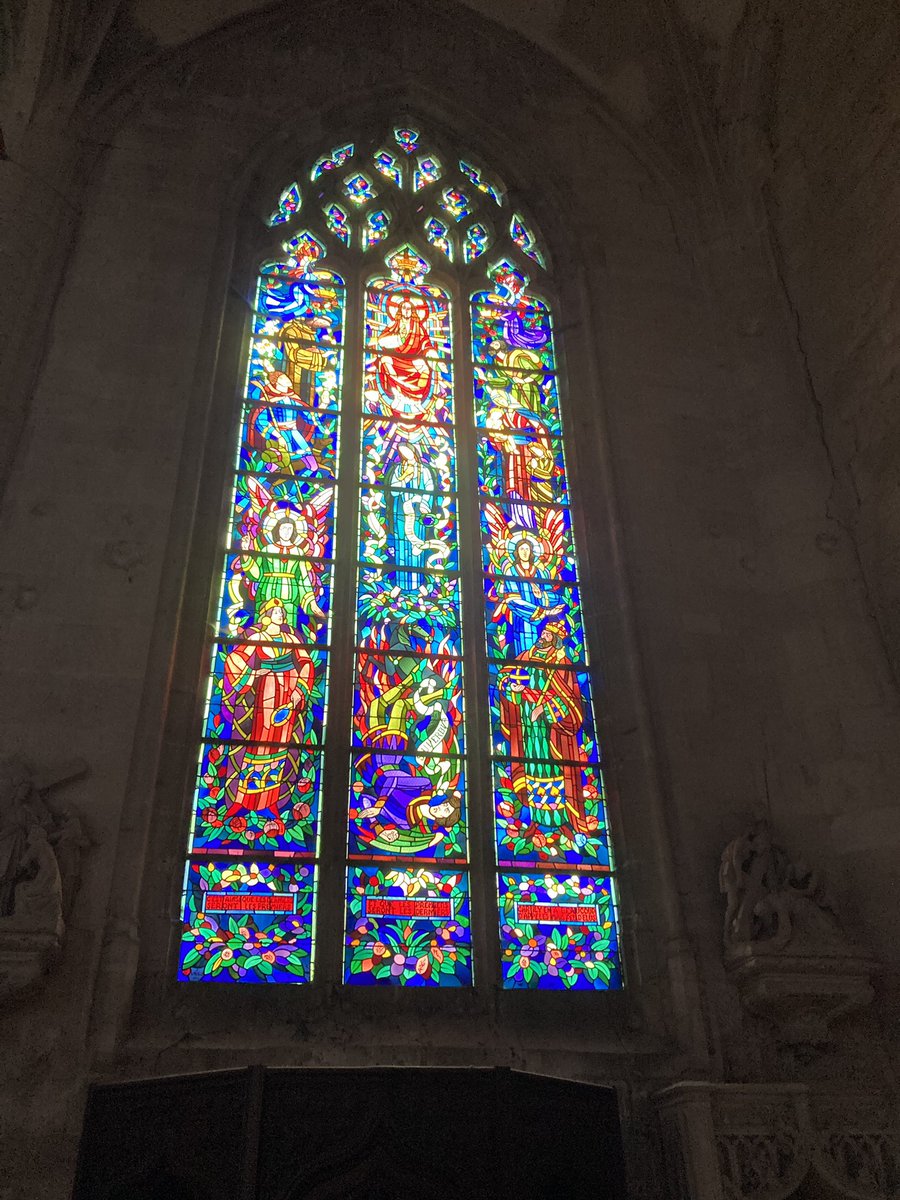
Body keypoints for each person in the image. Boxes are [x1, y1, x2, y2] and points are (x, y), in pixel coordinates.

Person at [497, 622, 593, 835]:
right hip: (526, 727)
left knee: (554, 769)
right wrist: (511, 687)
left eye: (549, 635)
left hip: (553, 732)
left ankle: (560, 820)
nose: (544, 636)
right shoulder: (524, 657)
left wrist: (545, 709)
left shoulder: (562, 663)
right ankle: (535, 818)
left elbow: (571, 702)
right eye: (544, 632)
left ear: (556, 640)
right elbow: (504, 678)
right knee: (531, 768)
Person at [222, 601, 315, 814]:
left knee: (281, 743)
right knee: (260, 741)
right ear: (265, 615)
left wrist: (296, 694)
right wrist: (253, 674)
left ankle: (273, 799)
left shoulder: (291, 639)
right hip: (265, 694)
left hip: (287, 697)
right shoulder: (257, 638)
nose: (280, 615)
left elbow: (306, 663)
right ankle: (247, 798)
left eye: (282, 612)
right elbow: (234, 659)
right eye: (275, 612)